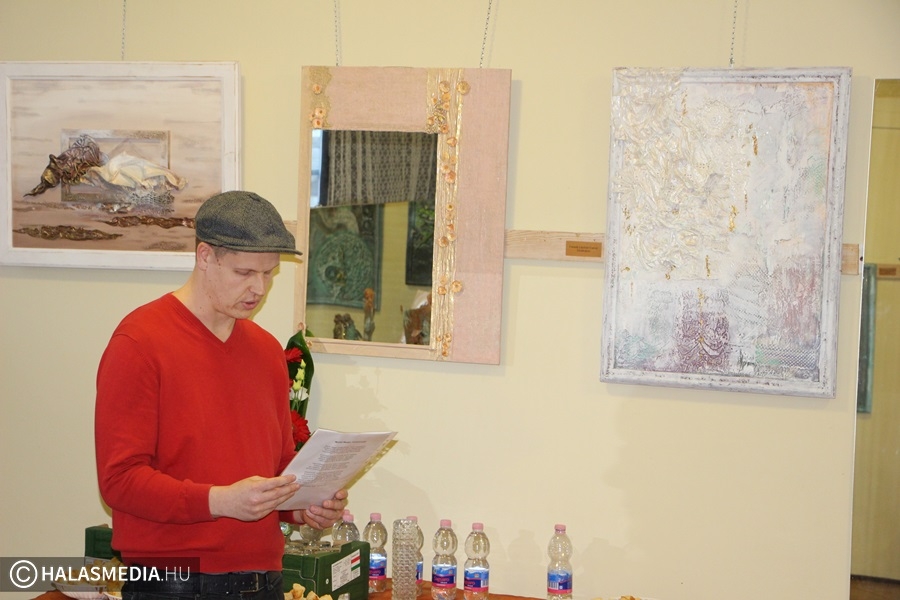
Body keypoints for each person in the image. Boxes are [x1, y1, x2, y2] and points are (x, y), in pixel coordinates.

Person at [95, 190, 348, 600]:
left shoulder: (267, 350)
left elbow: (276, 467)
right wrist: (219, 501)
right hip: (173, 583)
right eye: (244, 272)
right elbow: (119, 481)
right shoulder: (139, 343)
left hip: (263, 580)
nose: (259, 288)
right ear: (205, 256)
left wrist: (302, 507)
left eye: (269, 274)